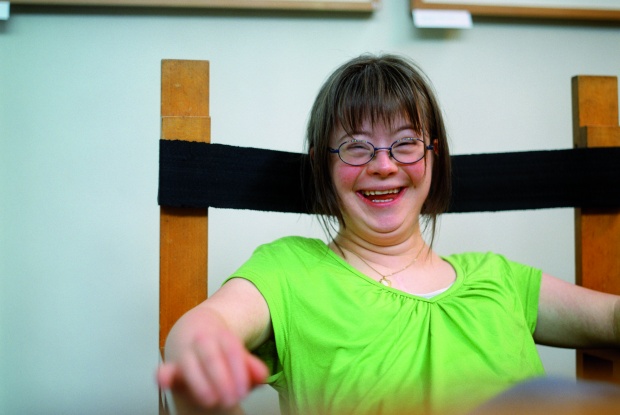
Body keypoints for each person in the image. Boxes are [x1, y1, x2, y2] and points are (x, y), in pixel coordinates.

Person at [156, 54, 620, 415]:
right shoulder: (291, 270)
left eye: (405, 143)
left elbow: (611, 319)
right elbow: (202, 328)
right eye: (356, 148)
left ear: (433, 157)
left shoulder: (498, 279)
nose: (383, 164)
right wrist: (200, 352)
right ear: (323, 165)